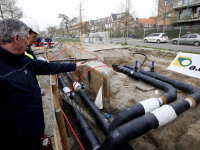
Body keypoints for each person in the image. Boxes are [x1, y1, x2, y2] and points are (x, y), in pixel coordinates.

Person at [0, 18, 85, 150]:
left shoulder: (22, 59)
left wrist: (73, 66)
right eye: (27, 38)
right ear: (17, 38)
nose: (30, 43)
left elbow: (46, 67)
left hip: (34, 135)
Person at [20, 18, 46, 95]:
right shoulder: (19, 55)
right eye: (33, 37)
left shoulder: (27, 51)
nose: (35, 40)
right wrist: (39, 91)